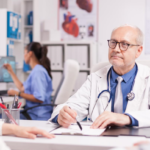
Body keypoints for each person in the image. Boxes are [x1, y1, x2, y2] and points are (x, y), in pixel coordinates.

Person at [49, 24, 150, 128]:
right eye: (113, 43)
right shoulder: (95, 78)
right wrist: (62, 115)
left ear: (138, 51)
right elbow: (71, 106)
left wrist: (126, 118)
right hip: (100, 139)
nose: (116, 49)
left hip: (137, 141)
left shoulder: (148, 77)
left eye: (124, 44)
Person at [4, 42, 53, 120]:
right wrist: (11, 71)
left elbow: (39, 98)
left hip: (37, 116)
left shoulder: (38, 72)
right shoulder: (36, 70)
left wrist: (18, 93)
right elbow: (22, 87)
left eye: (24, 53)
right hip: (33, 113)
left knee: (3, 117)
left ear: (30, 53)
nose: (24, 56)